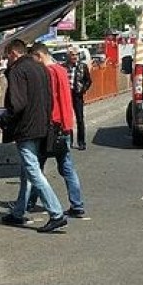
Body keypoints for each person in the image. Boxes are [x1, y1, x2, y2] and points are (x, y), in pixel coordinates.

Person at [0, 38, 67, 233]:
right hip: (42, 127)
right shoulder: (41, 69)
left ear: (14, 53)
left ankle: (56, 213)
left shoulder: (17, 71)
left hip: (26, 129)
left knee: (33, 172)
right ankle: (18, 212)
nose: (6, 61)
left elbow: (17, 105)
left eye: (7, 57)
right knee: (27, 172)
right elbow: (49, 100)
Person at [28, 42, 87, 218]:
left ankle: (29, 202)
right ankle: (77, 204)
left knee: (36, 167)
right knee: (67, 167)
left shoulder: (48, 73)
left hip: (52, 126)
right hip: (65, 124)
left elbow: (48, 100)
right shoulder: (61, 70)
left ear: (39, 56)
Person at [64, 46, 93, 150]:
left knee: (80, 119)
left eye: (76, 55)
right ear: (68, 56)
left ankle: (81, 142)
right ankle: (69, 141)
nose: (74, 57)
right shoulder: (64, 67)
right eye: (72, 55)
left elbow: (88, 81)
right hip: (67, 95)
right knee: (68, 118)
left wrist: (83, 90)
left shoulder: (82, 66)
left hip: (77, 95)